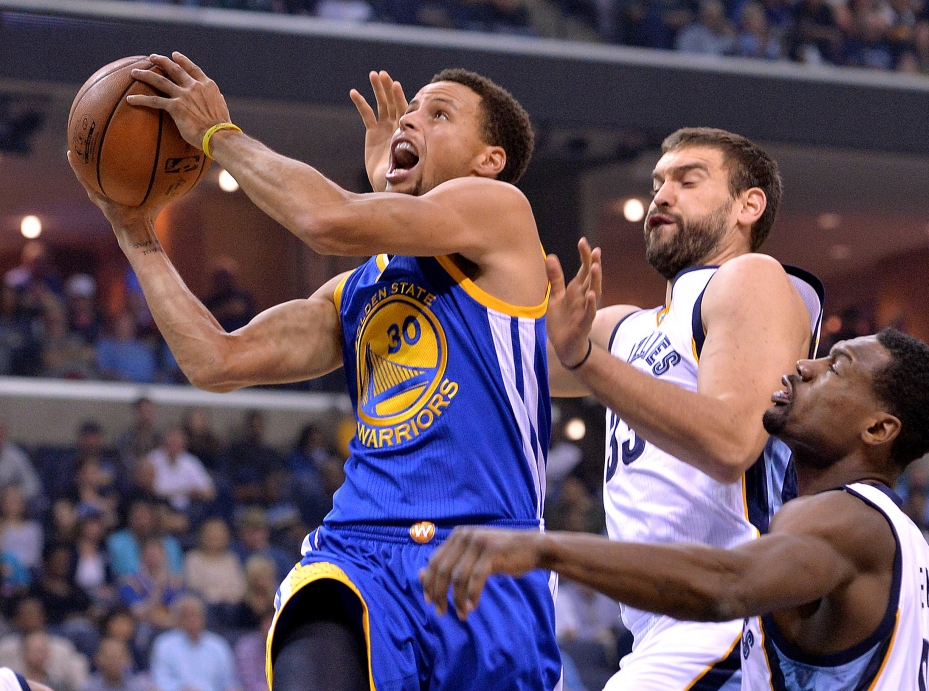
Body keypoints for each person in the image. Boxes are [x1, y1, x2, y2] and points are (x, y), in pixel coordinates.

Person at [72, 54, 557, 691]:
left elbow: (326, 220)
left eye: (439, 115)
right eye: (411, 111)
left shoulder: (501, 210)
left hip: (487, 556)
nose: (411, 119)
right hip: (357, 556)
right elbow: (218, 361)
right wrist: (134, 231)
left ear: (487, 160)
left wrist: (220, 135)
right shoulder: (357, 289)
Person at [424, 328, 929, 690]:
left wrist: (546, 547)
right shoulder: (923, 570)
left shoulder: (839, 517)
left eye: (835, 367)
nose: (805, 365)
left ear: (877, 429)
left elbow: (727, 584)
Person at [534, 127, 820, 689]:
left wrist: (587, 361)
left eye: (688, 180)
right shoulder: (627, 326)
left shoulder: (751, 278)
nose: (662, 194)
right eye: (658, 181)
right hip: (662, 629)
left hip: (733, 620)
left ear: (748, 205)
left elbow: (732, 442)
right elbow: (493, 363)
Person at [150, 597, 239, 691]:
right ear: (178, 619)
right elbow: (160, 680)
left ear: (204, 618)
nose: (192, 619)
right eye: (186, 615)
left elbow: (229, 681)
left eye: (195, 615)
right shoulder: (165, 644)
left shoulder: (218, 645)